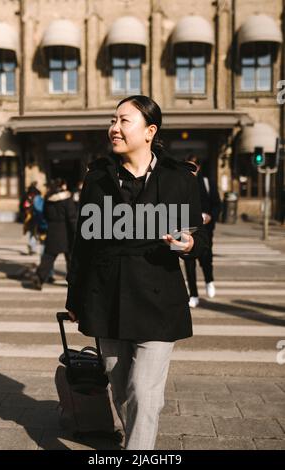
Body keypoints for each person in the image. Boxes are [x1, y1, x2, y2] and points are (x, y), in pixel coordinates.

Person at [65, 95, 208, 450]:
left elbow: (200, 238)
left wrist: (189, 244)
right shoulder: (97, 178)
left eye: (124, 120)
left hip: (158, 298)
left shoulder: (180, 179)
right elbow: (82, 245)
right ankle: (136, 440)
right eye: (113, 120)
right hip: (105, 296)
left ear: (150, 131)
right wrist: (74, 298)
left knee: (144, 391)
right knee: (121, 386)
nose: (114, 128)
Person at [183, 154, 221, 308]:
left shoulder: (207, 182)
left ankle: (209, 280)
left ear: (198, 167)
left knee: (206, 258)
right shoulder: (181, 183)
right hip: (186, 227)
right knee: (188, 262)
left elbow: (217, 204)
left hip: (204, 227)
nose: (190, 170)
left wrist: (210, 217)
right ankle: (193, 294)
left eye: (193, 166)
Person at [31, 178, 77, 290]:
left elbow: (45, 215)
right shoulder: (67, 199)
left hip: (52, 231)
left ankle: (39, 278)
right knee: (71, 259)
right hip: (66, 232)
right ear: (62, 186)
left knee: (48, 257)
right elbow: (71, 218)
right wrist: (76, 231)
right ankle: (74, 283)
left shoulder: (48, 199)